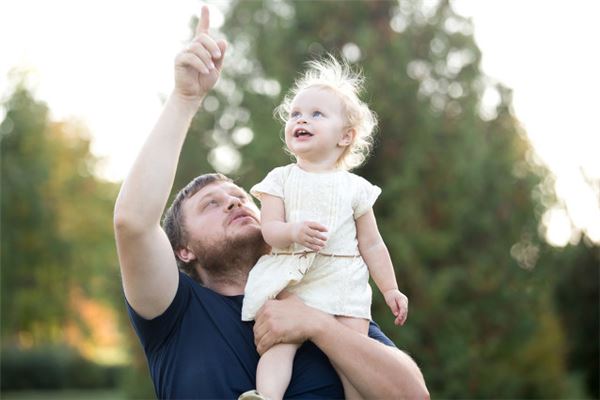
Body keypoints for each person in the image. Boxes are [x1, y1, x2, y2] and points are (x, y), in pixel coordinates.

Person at [113, 5, 429, 399]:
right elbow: (133, 222)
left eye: (241, 197)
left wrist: (317, 325)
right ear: (184, 250)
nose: (234, 202)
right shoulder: (175, 312)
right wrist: (185, 98)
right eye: (211, 204)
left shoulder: (320, 295)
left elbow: (413, 396)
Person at [240, 56, 410, 400]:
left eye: (317, 114)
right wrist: (292, 232)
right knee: (279, 345)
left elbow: (372, 244)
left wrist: (390, 288)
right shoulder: (281, 179)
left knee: (353, 356)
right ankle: (266, 396)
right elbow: (269, 229)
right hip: (294, 278)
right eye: (295, 114)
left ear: (345, 136)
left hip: (344, 283)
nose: (301, 118)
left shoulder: (356, 188)